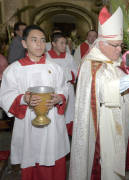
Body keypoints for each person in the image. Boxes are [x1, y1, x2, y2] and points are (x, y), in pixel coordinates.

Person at [69, 7, 129, 180]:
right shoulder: (91, 63)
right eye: (115, 46)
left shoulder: (113, 60)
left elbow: (123, 82)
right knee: (103, 164)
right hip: (102, 122)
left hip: (117, 120)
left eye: (120, 46)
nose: (119, 50)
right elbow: (103, 90)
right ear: (101, 43)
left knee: (115, 162)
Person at [0, 25, 70, 180]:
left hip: (53, 125)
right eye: (34, 40)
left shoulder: (55, 68)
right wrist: (23, 99)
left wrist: (60, 97)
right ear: (24, 43)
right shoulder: (14, 70)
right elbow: (5, 95)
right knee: (31, 162)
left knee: (55, 163)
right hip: (28, 124)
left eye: (42, 40)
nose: (39, 44)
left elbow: (64, 88)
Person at [46, 32, 78, 135]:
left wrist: (67, 74)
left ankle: (67, 134)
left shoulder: (69, 57)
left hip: (68, 89)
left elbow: (75, 71)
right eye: (62, 43)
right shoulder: (46, 57)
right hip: (53, 90)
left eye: (65, 43)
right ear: (54, 44)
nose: (65, 46)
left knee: (69, 112)